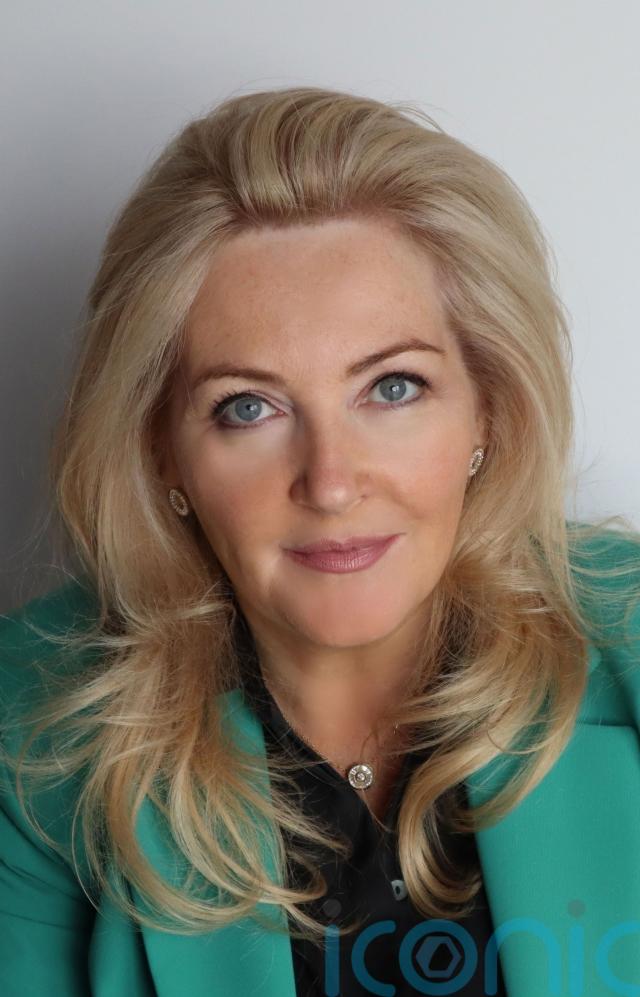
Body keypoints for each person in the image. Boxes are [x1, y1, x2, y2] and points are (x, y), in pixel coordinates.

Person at [1, 85, 639, 997]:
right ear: (162, 450)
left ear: (488, 409)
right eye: (248, 407)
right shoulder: (29, 731)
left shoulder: (629, 638)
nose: (332, 483)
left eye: (392, 387)